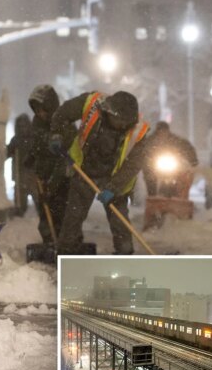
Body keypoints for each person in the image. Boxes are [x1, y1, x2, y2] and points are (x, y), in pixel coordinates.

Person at [49, 91, 150, 255]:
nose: (120, 124)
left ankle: (125, 256)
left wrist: (114, 188)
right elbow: (62, 114)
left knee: (120, 222)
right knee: (73, 218)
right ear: (109, 111)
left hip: (115, 179)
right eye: (117, 119)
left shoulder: (139, 133)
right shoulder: (92, 104)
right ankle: (65, 255)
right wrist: (57, 134)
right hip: (84, 170)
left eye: (124, 121)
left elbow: (133, 165)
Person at [27, 85, 69, 245]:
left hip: (61, 177)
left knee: (61, 212)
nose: (40, 113)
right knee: (45, 212)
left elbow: (63, 160)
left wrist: (52, 187)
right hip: (43, 174)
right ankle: (49, 242)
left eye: (42, 109)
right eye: (36, 109)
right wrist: (32, 155)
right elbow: (36, 142)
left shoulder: (63, 123)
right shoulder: (37, 122)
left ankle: (64, 243)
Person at [142, 121, 198, 198]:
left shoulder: (174, 140)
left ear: (168, 131)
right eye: (161, 132)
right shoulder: (150, 141)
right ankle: (152, 196)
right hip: (154, 166)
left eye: (165, 132)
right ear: (157, 132)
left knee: (181, 176)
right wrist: (146, 161)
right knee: (150, 176)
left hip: (171, 164)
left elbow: (186, 147)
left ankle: (177, 197)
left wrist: (193, 160)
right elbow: (143, 152)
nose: (163, 134)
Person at [6, 114, 34, 216]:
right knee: (20, 197)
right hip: (19, 174)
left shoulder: (33, 139)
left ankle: (42, 213)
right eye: (20, 126)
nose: (23, 129)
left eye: (24, 126)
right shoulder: (15, 140)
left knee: (37, 195)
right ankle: (20, 211)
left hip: (33, 174)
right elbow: (7, 153)